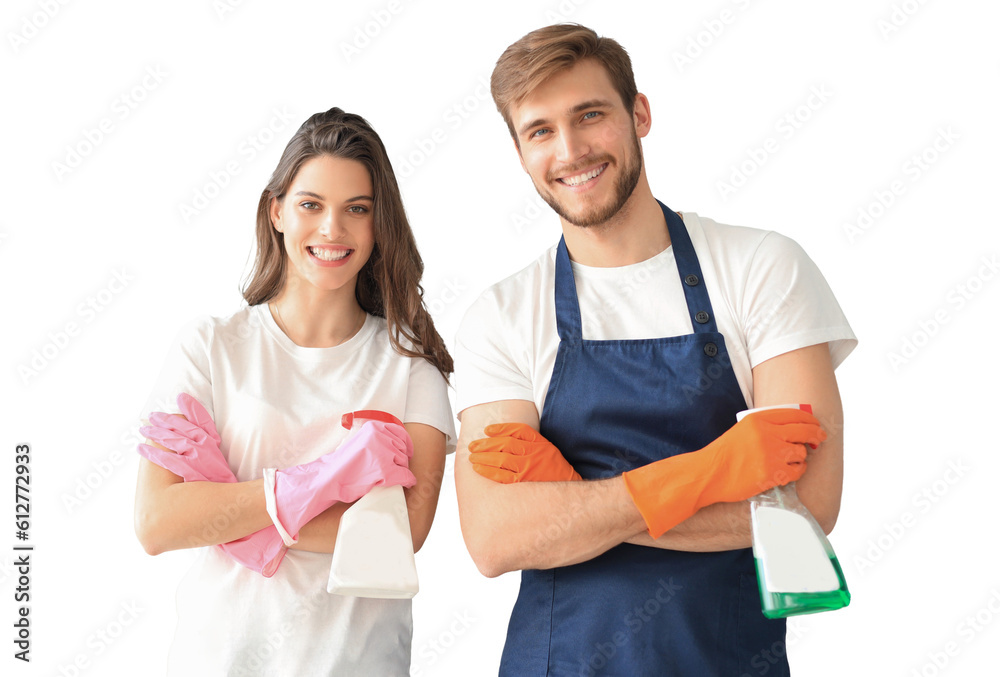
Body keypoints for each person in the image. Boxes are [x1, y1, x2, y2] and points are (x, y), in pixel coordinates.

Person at [453, 24, 856, 676]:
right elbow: (497, 538)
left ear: (639, 113)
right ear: (520, 152)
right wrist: (714, 472)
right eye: (540, 130)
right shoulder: (500, 316)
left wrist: (569, 495)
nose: (571, 149)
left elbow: (808, 505)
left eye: (591, 114)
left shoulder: (760, 268)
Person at [133, 107, 456, 675]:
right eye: (312, 205)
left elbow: (402, 535)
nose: (333, 229)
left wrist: (227, 510)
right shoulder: (209, 346)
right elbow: (158, 522)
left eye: (358, 209)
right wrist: (319, 485)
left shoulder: (410, 365)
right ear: (276, 211)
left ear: (381, 225)